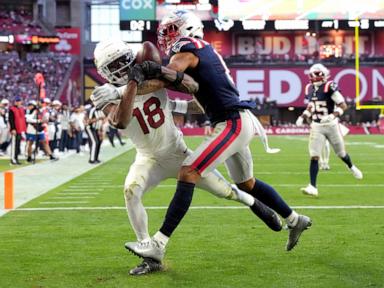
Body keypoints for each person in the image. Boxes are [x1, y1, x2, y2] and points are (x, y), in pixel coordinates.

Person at [122, 10, 311, 266]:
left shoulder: (188, 49)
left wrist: (131, 87)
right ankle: (294, 219)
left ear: (186, 29)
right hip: (234, 119)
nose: (167, 37)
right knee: (247, 184)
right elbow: (186, 86)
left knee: (188, 171)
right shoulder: (201, 49)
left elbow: (168, 76)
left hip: (232, 121)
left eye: (171, 31)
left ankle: (158, 243)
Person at [91, 39, 283, 275]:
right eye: (114, 65)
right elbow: (120, 120)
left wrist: (159, 76)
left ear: (131, 57)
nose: (121, 67)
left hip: (177, 153)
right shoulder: (103, 93)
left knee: (226, 191)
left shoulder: (149, 80)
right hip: (147, 157)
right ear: (103, 71)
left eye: (123, 60)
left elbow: (189, 88)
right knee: (131, 191)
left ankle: (255, 204)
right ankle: (148, 250)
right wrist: (130, 84)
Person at [295, 63, 362, 196]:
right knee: (314, 156)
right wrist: (303, 116)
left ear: (323, 75)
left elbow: (343, 105)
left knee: (341, 153)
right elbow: (311, 106)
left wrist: (333, 115)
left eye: (316, 74)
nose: (313, 77)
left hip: (331, 125)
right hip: (317, 125)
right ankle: (313, 187)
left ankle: (351, 166)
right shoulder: (309, 88)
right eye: (312, 74)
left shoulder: (329, 86)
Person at [8, 96, 26, 165]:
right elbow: (11, 120)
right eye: (17, 101)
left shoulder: (21, 109)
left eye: (19, 101)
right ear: (15, 102)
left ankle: (16, 158)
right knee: (14, 145)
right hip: (15, 130)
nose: (18, 102)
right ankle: (13, 160)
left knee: (17, 145)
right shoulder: (12, 109)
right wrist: (13, 129)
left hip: (20, 130)